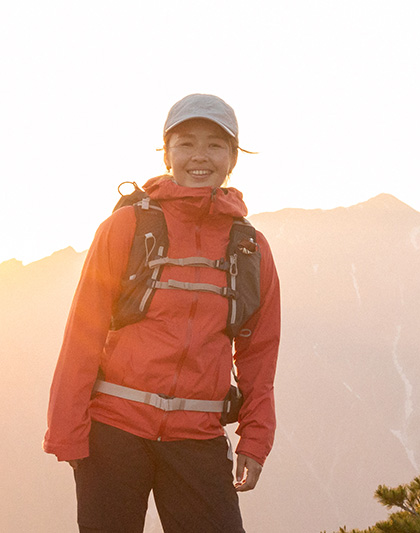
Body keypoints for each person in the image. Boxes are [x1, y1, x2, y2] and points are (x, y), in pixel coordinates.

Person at [44, 94, 281, 532]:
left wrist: (256, 438)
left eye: (215, 145)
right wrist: (66, 429)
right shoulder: (126, 227)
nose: (199, 157)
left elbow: (259, 353)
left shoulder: (250, 249)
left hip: (198, 437)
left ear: (232, 158)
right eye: (186, 143)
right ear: (167, 152)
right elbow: (84, 330)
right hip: (113, 432)